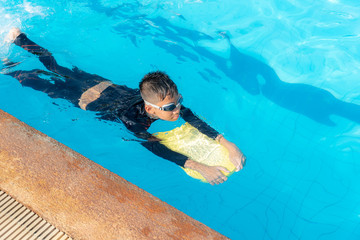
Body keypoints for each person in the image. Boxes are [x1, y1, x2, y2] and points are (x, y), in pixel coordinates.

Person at [4, 28, 246, 185]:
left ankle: (18, 39)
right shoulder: (133, 120)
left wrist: (228, 144)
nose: (178, 109)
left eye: (179, 100)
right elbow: (157, 149)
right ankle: (7, 66)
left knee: (56, 68)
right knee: (37, 79)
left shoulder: (161, 105)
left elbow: (194, 119)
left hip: (99, 84)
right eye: (172, 106)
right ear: (150, 109)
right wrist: (199, 166)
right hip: (85, 98)